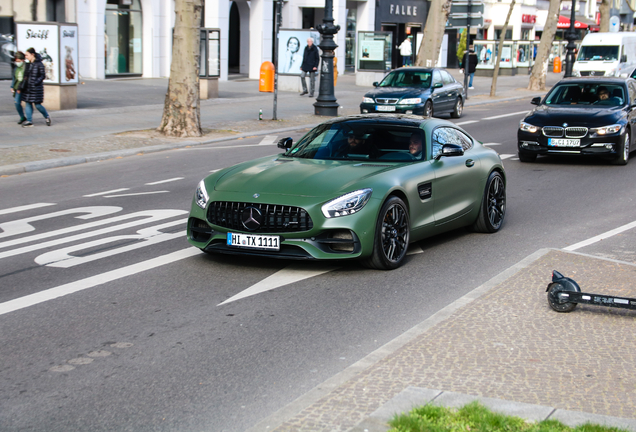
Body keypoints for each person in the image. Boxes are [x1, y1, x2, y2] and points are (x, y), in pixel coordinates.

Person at [21, 48, 51, 128]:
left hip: (36, 88)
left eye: (27, 55)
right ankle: (29, 121)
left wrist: (35, 82)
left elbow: (42, 75)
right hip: (28, 87)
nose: (26, 57)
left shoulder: (39, 64)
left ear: (32, 54)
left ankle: (46, 116)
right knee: (28, 103)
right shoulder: (28, 64)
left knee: (37, 105)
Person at [10, 51, 27, 125]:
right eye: (16, 61)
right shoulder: (16, 68)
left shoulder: (26, 67)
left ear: (23, 60)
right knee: (17, 102)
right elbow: (14, 78)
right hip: (17, 87)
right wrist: (12, 86)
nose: (17, 62)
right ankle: (22, 117)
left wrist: (21, 87)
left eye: (19, 61)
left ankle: (29, 118)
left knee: (29, 103)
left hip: (25, 87)